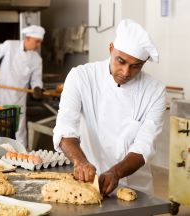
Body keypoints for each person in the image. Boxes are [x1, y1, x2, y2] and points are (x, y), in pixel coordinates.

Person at [53, 19, 166, 195]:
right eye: (121, 61)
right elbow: (65, 128)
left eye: (135, 66)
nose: (126, 72)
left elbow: (145, 145)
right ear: (111, 48)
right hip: (89, 183)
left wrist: (116, 172)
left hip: (135, 188)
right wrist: (80, 162)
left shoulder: (154, 91)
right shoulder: (82, 77)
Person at [0, 25, 45, 147]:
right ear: (28, 38)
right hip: (1, 95)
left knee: (19, 130)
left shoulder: (37, 59)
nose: (38, 45)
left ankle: (22, 155)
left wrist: (37, 88)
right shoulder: (10, 46)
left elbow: (36, 79)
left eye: (40, 42)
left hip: (18, 98)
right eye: (37, 41)